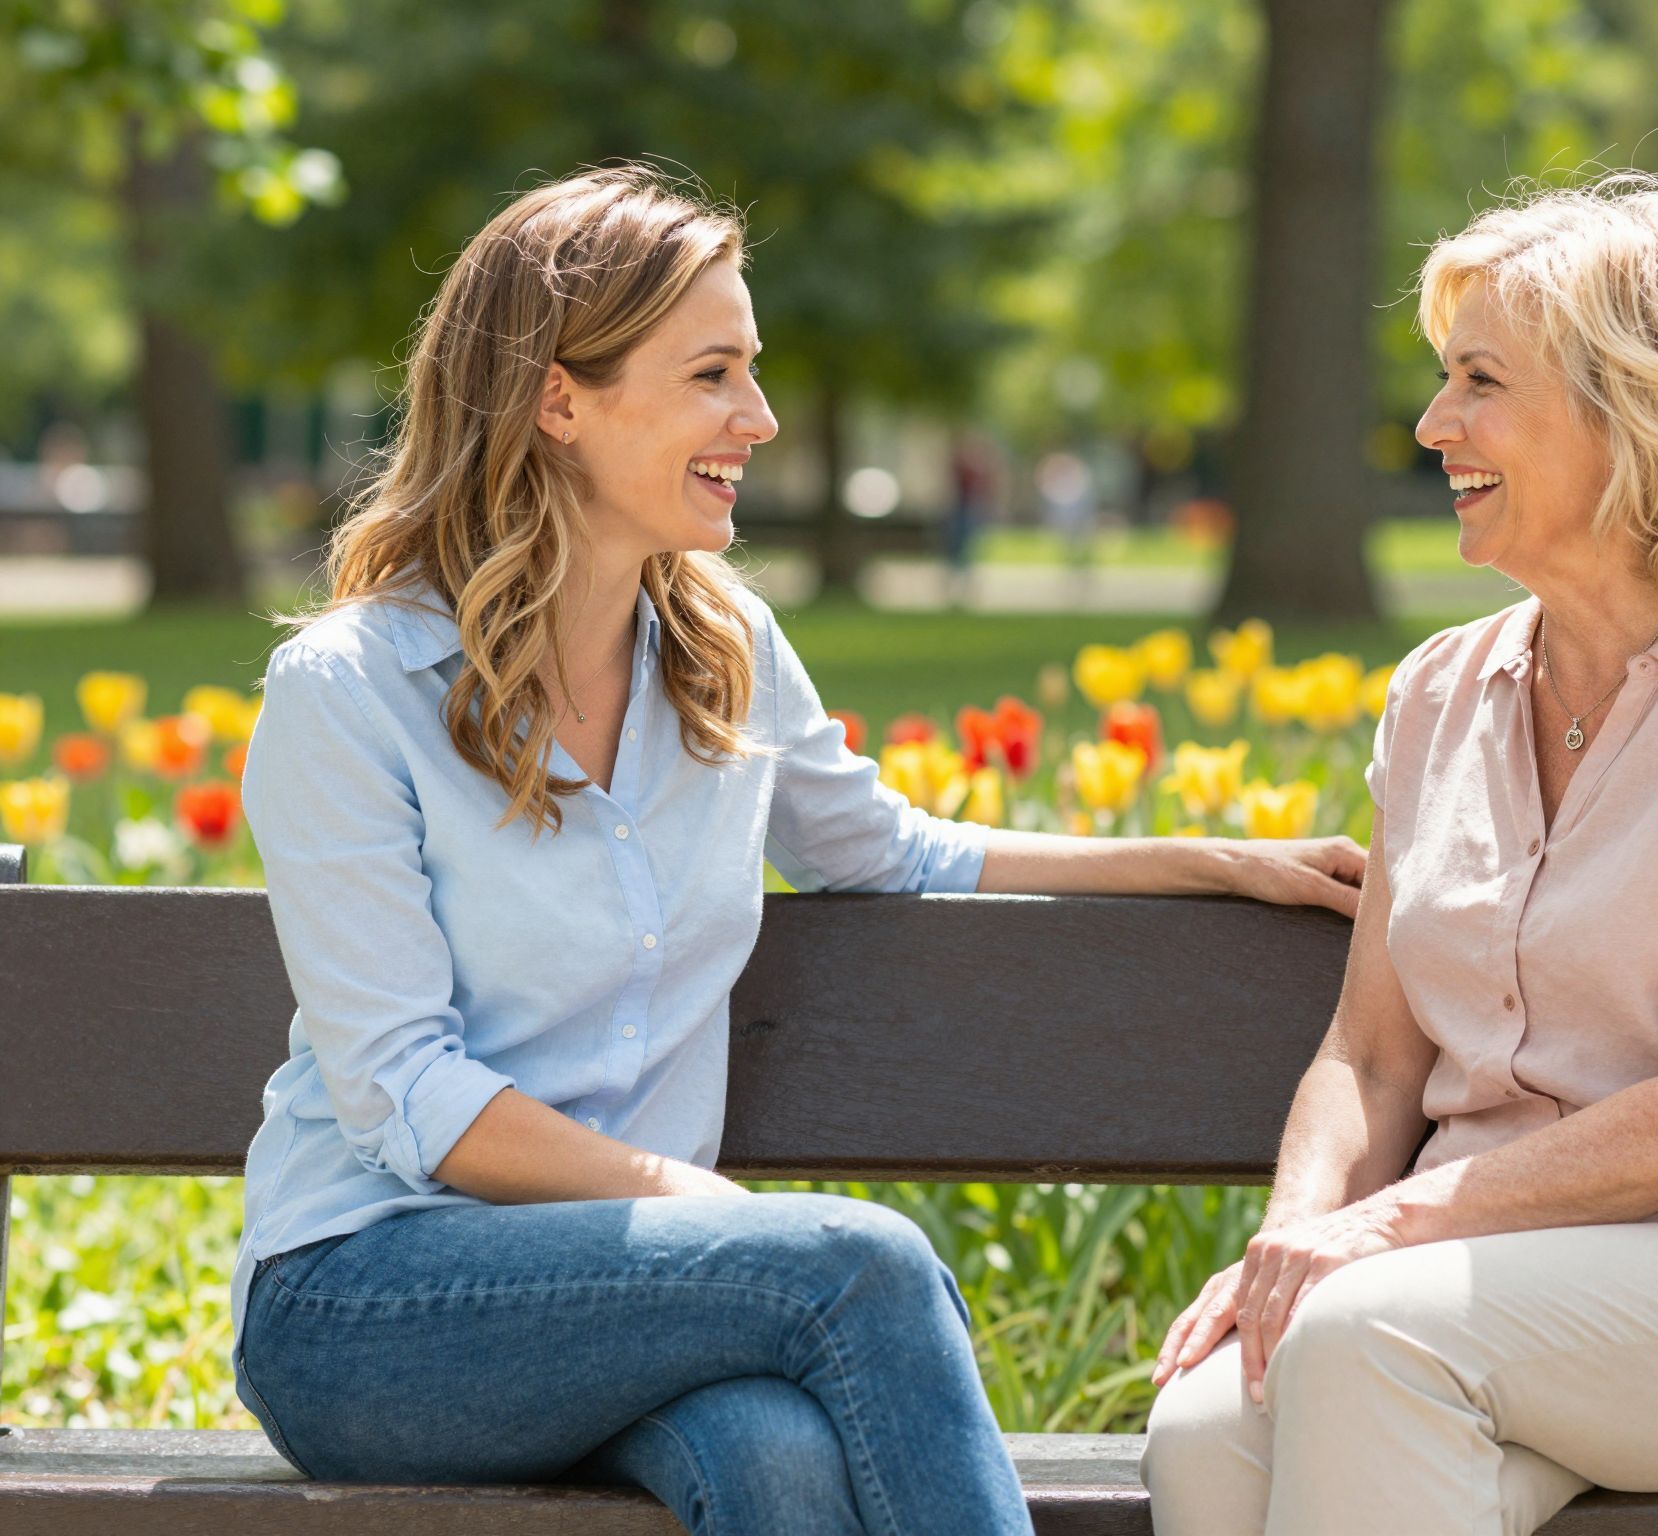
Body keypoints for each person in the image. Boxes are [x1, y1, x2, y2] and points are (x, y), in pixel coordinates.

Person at [228, 165, 1366, 1536]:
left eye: (752, 372)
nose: (759, 419)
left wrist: (1212, 862)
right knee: (855, 1261)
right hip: (367, 1304)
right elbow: (408, 1093)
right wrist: (708, 1211)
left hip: (648, 1289)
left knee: (774, 1462)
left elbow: (892, 852)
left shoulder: (724, 651)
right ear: (558, 400)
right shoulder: (353, 691)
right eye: (713, 375)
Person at [1142, 173, 1658, 1536]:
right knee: (1213, 1430)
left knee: (1373, 1338)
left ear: (1632, 408)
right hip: (1489, 1283)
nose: (1432, 423)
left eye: (1480, 382)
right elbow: (1371, 1061)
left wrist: (1384, 1234)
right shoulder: (1438, 693)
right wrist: (1294, 1240)